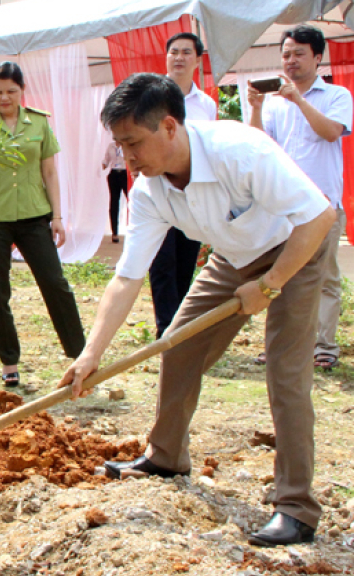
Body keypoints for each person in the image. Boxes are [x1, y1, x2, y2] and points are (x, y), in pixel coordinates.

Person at [61, 73, 335, 547]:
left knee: (286, 375)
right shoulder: (149, 190)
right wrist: (91, 354)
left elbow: (319, 216)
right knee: (179, 345)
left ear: (169, 126)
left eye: (133, 143)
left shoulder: (239, 150)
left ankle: (296, 507)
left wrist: (269, 285)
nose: (127, 158)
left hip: (299, 245)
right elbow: (126, 277)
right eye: (120, 145)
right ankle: (166, 455)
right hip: (234, 256)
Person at [0, 61, 85, 388]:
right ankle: (9, 362)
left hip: (34, 216)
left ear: (22, 91)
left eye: (11, 91)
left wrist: (57, 217)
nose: (4, 98)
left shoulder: (40, 124)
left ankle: (81, 355)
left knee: (55, 283)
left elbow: (50, 173)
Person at [249, 24, 352, 371]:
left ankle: (323, 347)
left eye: (299, 54)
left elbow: (331, 132)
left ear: (318, 57)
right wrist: (257, 108)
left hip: (323, 206)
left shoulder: (337, 96)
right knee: (280, 274)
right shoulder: (275, 103)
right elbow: (260, 146)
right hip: (283, 206)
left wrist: (299, 99)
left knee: (325, 277)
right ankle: (279, 346)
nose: (290, 60)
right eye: (286, 54)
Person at [148, 32, 217, 339]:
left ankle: (181, 323)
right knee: (162, 260)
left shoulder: (206, 104)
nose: (178, 57)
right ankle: (166, 328)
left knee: (186, 258)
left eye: (186, 52)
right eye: (173, 51)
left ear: (197, 60)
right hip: (158, 189)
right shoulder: (150, 95)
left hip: (193, 192)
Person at [102, 141, 128, 243]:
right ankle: (115, 233)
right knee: (114, 203)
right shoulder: (111, 145)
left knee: (131, 201)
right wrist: (101, 165)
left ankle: (133, 229)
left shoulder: (126, 144)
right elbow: (106, 160)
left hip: (125, 173)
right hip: (113, 174)